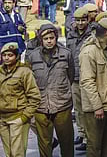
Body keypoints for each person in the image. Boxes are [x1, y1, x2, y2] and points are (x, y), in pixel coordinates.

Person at [26, 23, 75, 157]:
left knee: (67, 143)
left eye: (51, 38)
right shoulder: (32, 56)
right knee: (44, 143)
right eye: (46, 38)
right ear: (41, 40)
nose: (49, 41)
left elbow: (70, 76)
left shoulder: (66, 54)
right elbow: (28, 81)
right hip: (41, 106)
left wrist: (62, 92)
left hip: (62, 105)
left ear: (56, 38)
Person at [79, 18, 107, 157]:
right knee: (95, 146)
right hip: (97, 109)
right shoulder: (89, 52)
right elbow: (87, 81)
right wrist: (97, 106)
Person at [0, 42, 41, 157]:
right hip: (3, 118)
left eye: (10, 55)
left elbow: (34, 96)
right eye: (4, 55)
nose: (7, 58)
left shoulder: (24, 72)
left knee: (18, 153)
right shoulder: (0, 72)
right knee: (9, 153)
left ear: (16, 56)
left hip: (18, 117)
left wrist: (25, 117)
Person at [65, 6, 92, 151]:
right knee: (79, 108)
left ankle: (89, 137)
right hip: (74, 76)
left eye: (83, 20)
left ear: (87, 20)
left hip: (87, 77)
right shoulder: (70, 34)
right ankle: (81, 133)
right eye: (78, 20)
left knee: (88, 109)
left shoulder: (92, 35)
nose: (80, 23)